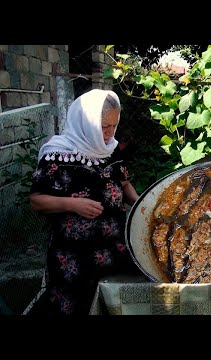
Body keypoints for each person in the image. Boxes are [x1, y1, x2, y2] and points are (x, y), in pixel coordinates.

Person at [30, 89, 142, 315]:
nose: (110, 133)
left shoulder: (110, 150)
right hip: (74, 256)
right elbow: (36, 201)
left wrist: (143, 206)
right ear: (86, 122)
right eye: (103, 127)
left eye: (114, 125)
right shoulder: (57, 155)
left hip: (115, 248)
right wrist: (73, 205)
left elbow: (125, 185)